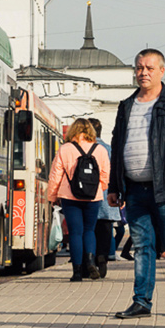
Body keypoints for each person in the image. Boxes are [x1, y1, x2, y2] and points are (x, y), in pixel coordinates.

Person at [107, 49, 165, 319]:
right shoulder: (127, 105)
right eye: (139, 68)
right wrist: (115, 186)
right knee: (142, 246)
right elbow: (117, 146)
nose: (143, 73)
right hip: (134, 190)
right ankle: (141, 302)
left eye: (149, 68)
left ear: (162, 71)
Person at [46, 118, 111, 282]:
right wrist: (98, 189)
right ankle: (90, 261)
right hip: (93, 197)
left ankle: (76, 272)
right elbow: (105, 175)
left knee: (75, 232)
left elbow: (55, 175)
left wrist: (53, 196)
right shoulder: (100, 149)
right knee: (89, 230)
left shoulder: (65, 149)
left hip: (69, 196)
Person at [89, 118, 119, 276]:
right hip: (107, 195)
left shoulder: (82, 148)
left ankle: (91, 259)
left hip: (86, 195)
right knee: (106, 229)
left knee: (89, 229)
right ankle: (103, 257)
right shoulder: (108, 149)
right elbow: (117, 171)